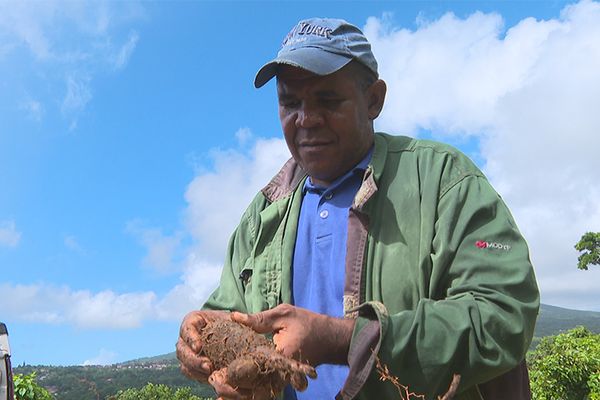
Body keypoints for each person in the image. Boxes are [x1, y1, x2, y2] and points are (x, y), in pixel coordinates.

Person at [176, 17, 539, 400]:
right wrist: (201, 335)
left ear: (374, 100)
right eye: (290, 102)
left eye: (328, 101)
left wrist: (344, 339)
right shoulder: (264, 212)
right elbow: (227, 312)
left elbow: (503, 315)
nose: (306, 119)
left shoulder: (442, 180)